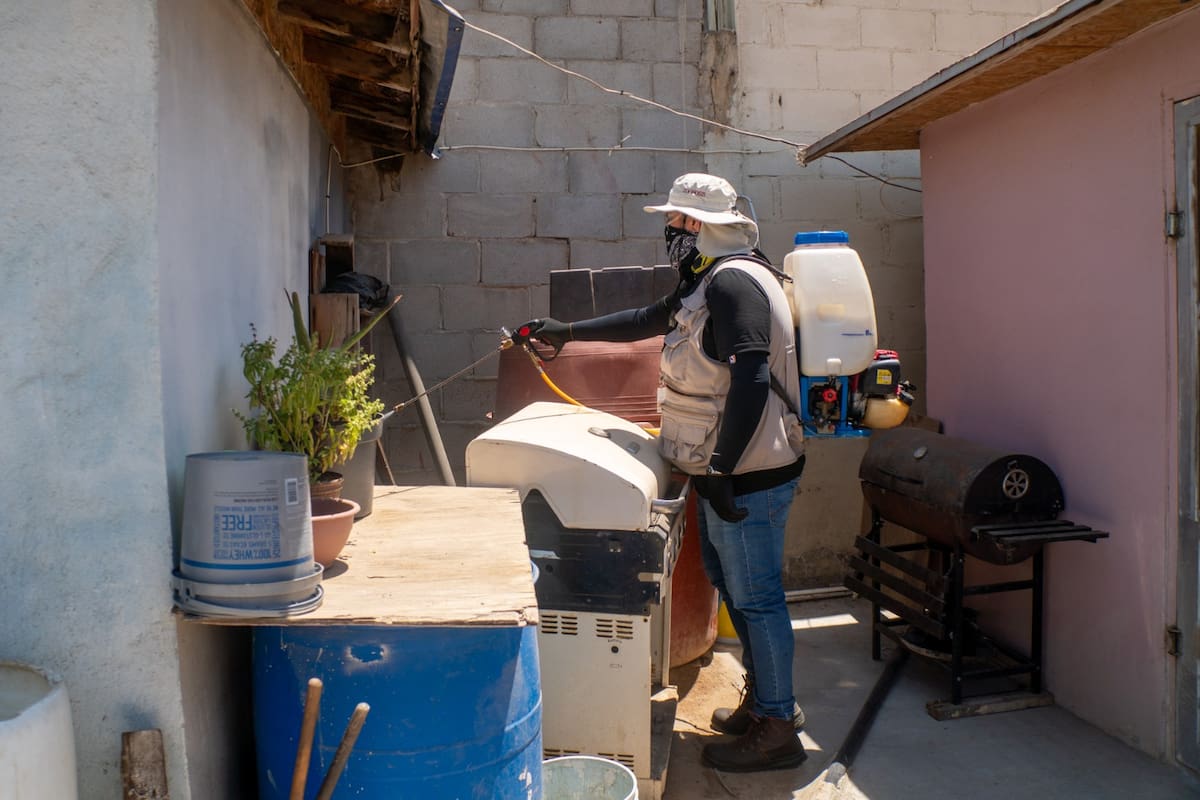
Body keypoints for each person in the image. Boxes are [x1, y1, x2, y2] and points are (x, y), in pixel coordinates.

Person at [512, 173, 807, 773]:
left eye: (676, 221)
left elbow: (751, 378)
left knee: (759, 600)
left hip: (748, 472)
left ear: (699, 225)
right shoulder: (709, 279)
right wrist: (567, 334)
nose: (669, 230)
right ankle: (766, 706)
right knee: (738, 591)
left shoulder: (733, 285)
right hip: (728, 469)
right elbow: (651, 318)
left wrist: (723, 469)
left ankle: (778, 727)